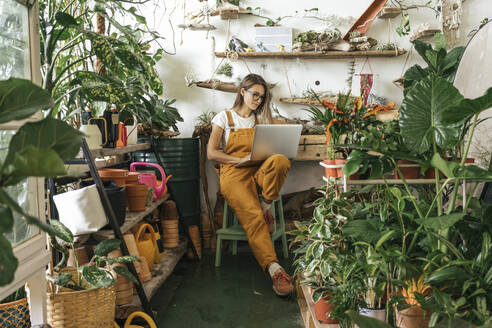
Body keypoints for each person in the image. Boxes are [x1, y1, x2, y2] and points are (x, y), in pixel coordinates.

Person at [207, 73, 294, 296]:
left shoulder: (260, 120)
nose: (258, 100)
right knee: (254, 217)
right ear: (242, 91)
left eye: (262, 97)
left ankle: (266, 205)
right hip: (234, 174)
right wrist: (239, 160)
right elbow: (211, 153)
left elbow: (272, 154)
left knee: (280, 160)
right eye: (255, 94)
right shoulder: (224, 118)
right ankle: (275, 269)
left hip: (257, 169)